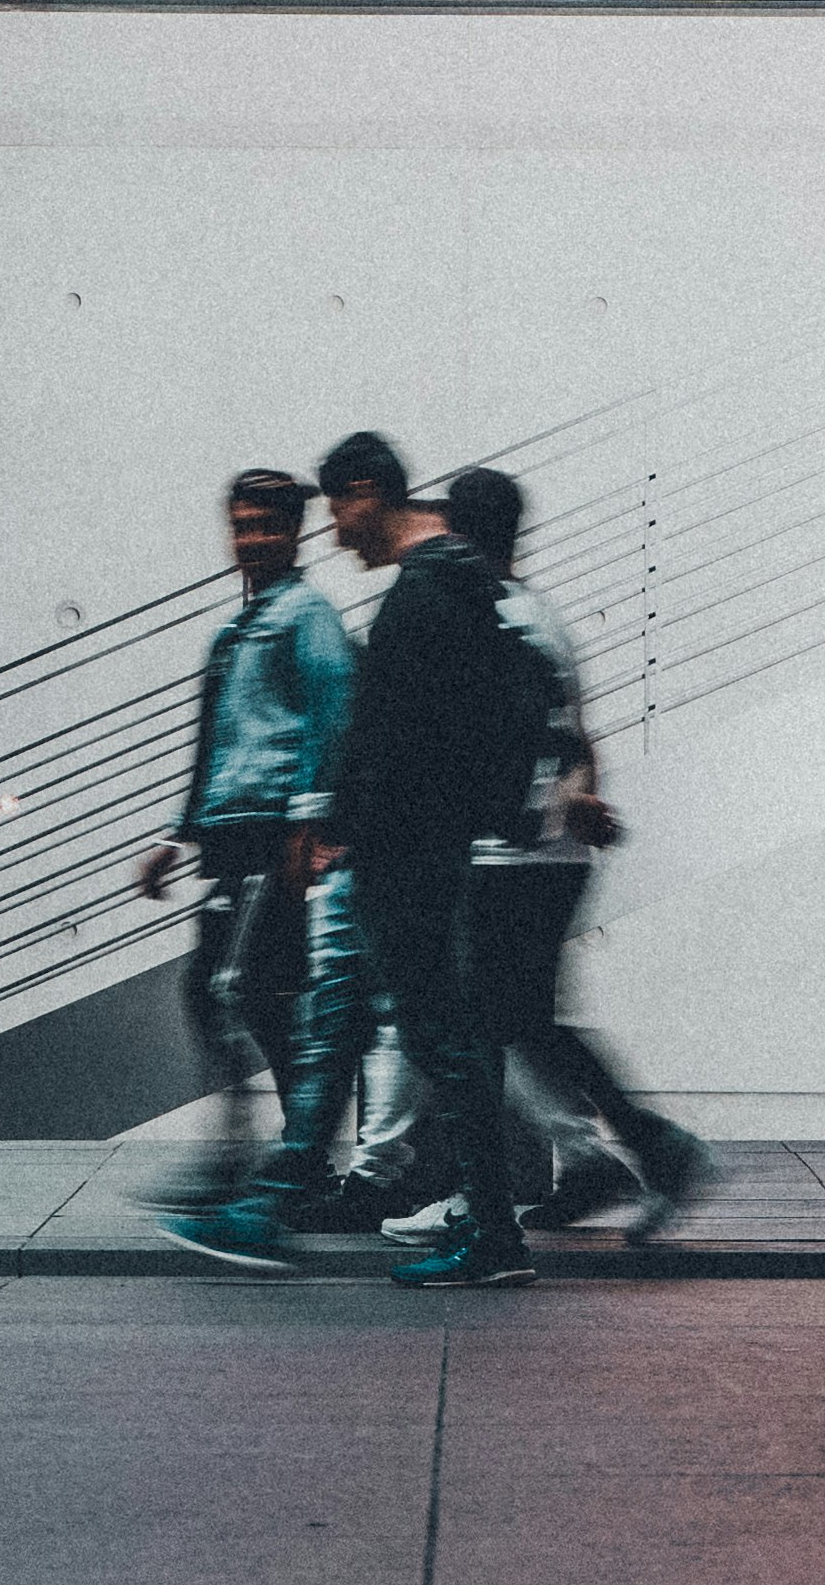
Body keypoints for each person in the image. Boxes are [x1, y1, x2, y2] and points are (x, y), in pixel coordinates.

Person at [167, 431, 548, 1286]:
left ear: (370, 493)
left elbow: (394, 739)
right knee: (352, 1021)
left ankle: (489, 1232)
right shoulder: (454, 584)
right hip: (409, 851)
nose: (337, 533)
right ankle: (278, 1201)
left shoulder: (424, 594)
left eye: (339, 510)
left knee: (436, 1037)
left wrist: (336, 824)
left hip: (402, 858)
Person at [439, 465, 708, 1247]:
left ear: (458, 533)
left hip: (516, 855)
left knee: (505, 1020)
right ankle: (608, 1156)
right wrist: (579, 795)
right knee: (521, 1018)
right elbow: (575, 737)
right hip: (538, 853)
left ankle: (646, 1148)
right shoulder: (536, 617)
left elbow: (535, 739)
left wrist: (557, 800)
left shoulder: (501, 622)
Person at [133, 469, 356, 1194]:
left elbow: (335, 716)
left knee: (238, 989)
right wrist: (176, 833)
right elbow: (213, 744)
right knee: (225, 991)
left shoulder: (307, 617)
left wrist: (309, 819)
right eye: (242, 523)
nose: (252, 536)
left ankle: (278, 1159)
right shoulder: (238, 629)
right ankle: (295, 1156)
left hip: (274, 836)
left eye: (267, 524)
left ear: (297, 532)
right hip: (229, 837)